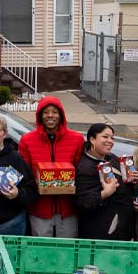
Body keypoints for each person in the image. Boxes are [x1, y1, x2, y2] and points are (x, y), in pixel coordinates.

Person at [17, 96, 85, 237]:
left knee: (66, 252)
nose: (50, 116)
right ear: (40, 116)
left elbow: (81, 172)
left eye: (54, 112)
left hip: (67, 210)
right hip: (39, 209)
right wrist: (36, 183)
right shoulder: (27, 141)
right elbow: (24, 173)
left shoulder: (76, 139)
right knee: (41, 252)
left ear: (61, 115)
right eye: (46, 112)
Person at [75, 124, 137, 240]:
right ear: (92, 139)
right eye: (105, 137)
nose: (110, 141)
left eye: (112, 138)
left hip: (123, 227)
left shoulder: (110, 157)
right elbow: (83, 203)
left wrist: (131, 180)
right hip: (104, 232)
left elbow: (123, 187)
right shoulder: (86, 168)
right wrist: (105, 193)